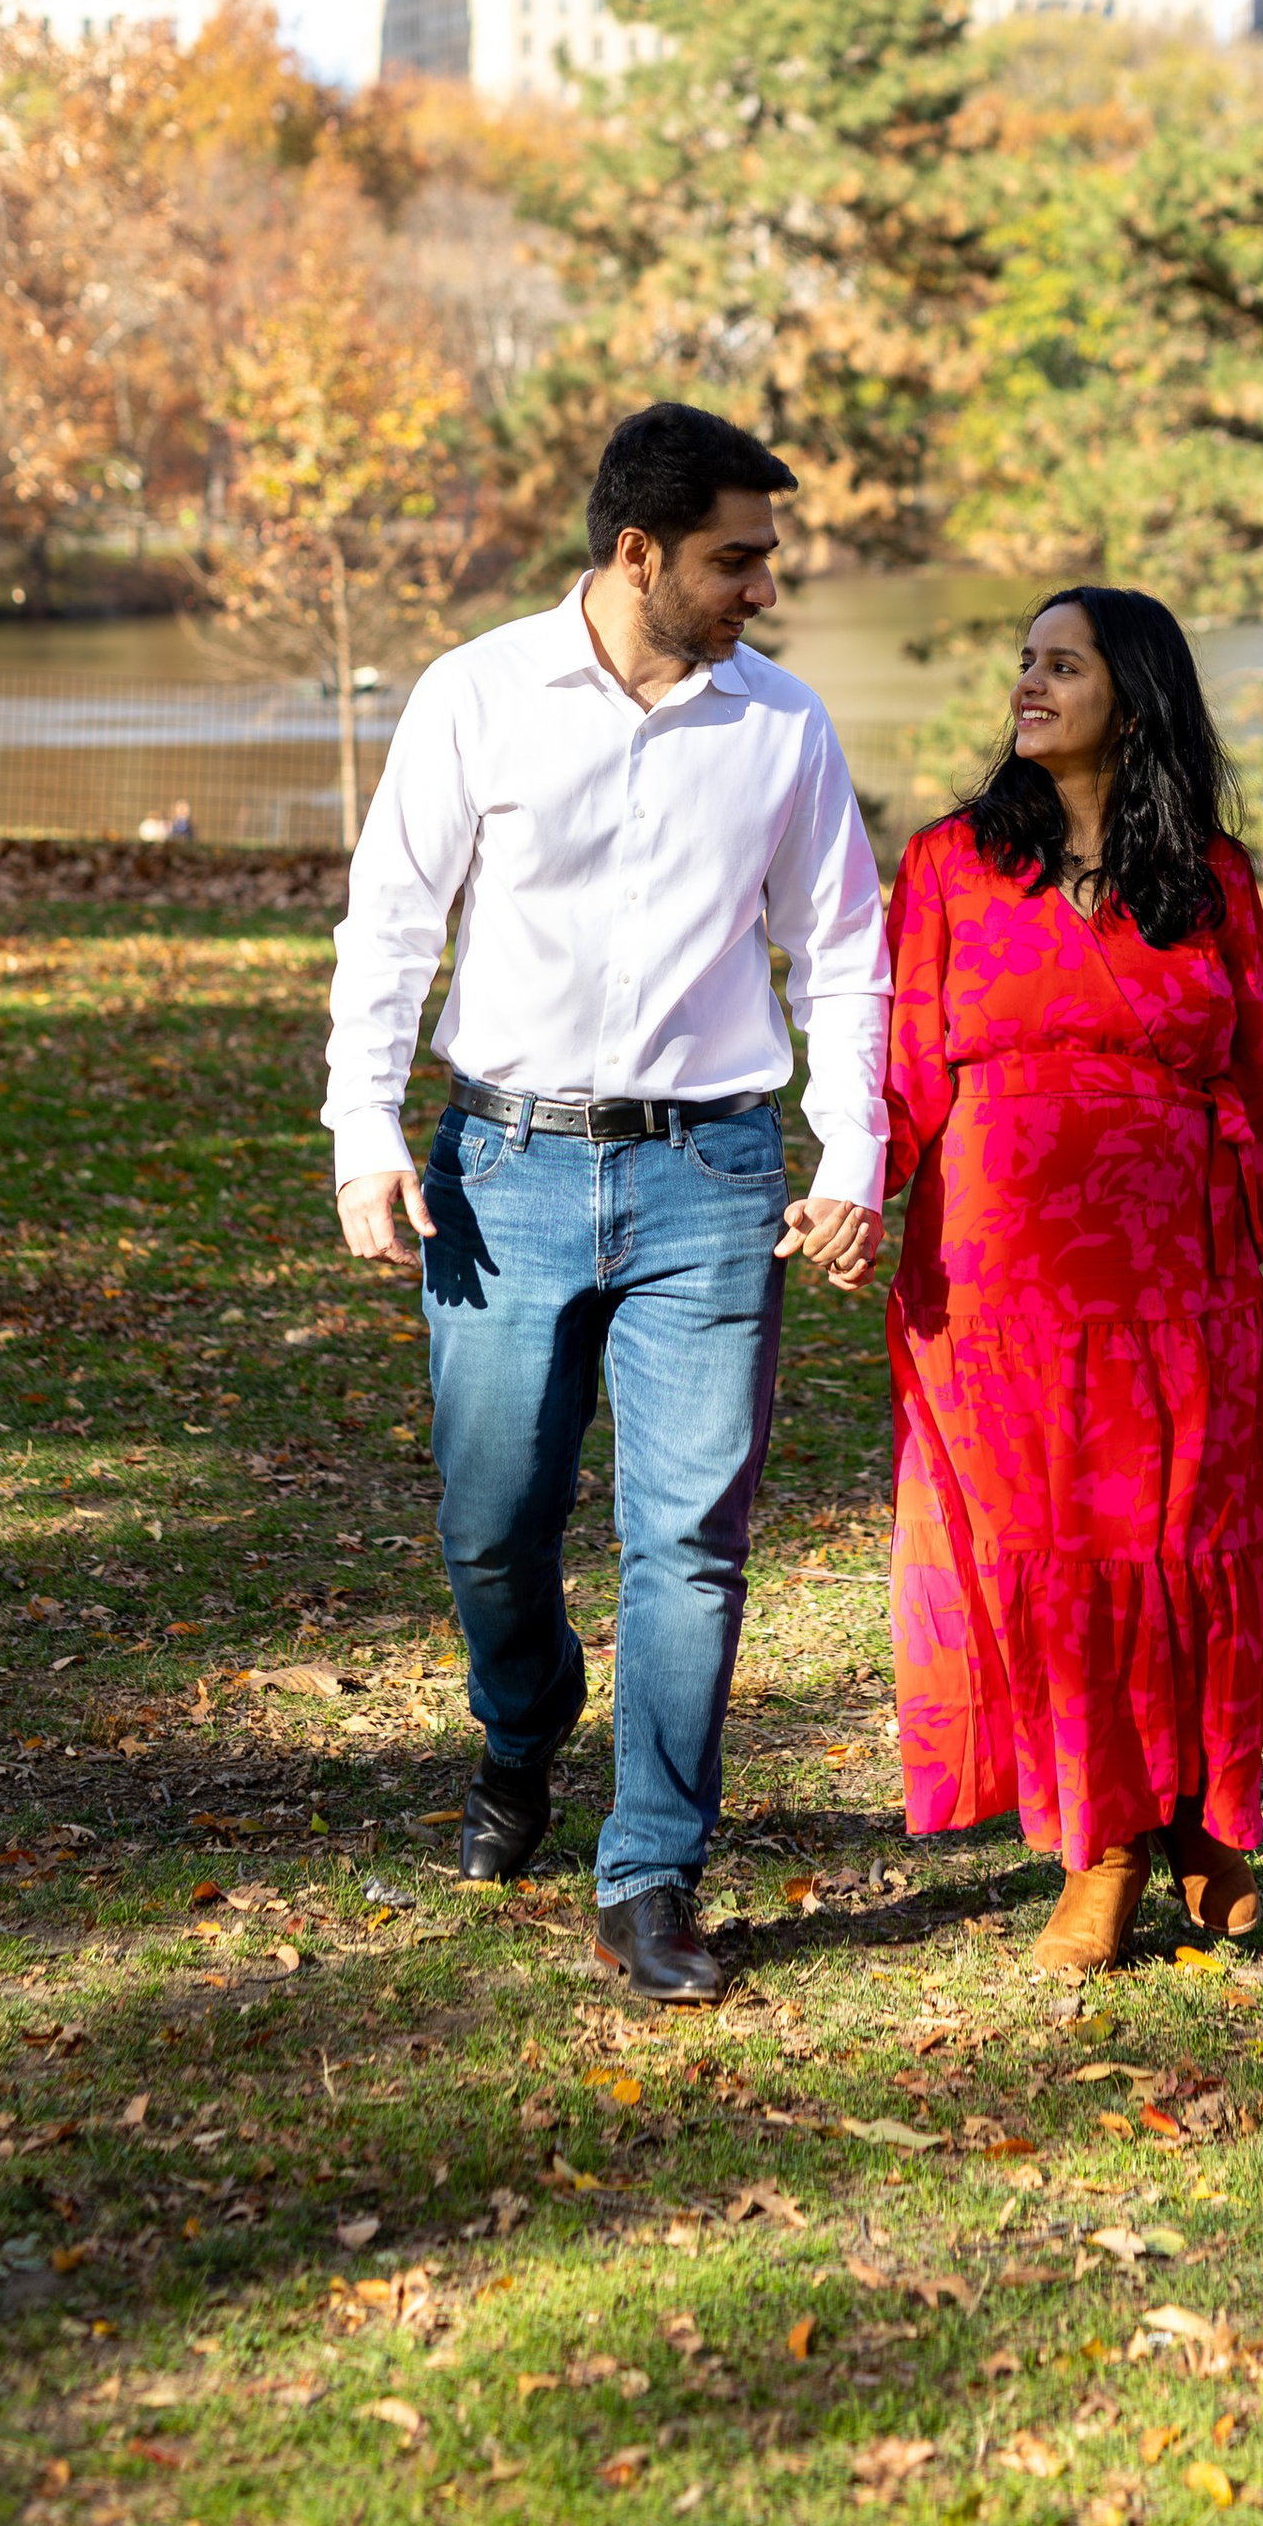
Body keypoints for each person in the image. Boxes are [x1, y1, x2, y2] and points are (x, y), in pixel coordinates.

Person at [324, 404, 889, 2005]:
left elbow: (844, 957)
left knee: (689, 1540)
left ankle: (650, 1872)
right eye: (736, 557)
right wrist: (363, 1127)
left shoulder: (782, 728)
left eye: (766, 556)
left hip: (712, 1173)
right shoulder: (478, 693)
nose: (762, 587)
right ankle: (523, 1729)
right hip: (499, 1170)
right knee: (493, 1528)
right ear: (635, 552)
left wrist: (852, 1157)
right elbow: (389, 926)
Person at [880, 586, 1263, 1972]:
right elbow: (900, 1067)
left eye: (1060, 666)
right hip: (999, 1283)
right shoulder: (952, 865)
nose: (1028, 683)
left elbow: (1258, 1065)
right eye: (1022, 660)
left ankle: (1204, 1815)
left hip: (1183, 1266)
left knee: (1192, 1535)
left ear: (1131, 698)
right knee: (1057, 1551)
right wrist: (848, 1194)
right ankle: (1105, 1845)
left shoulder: (1212, 878)